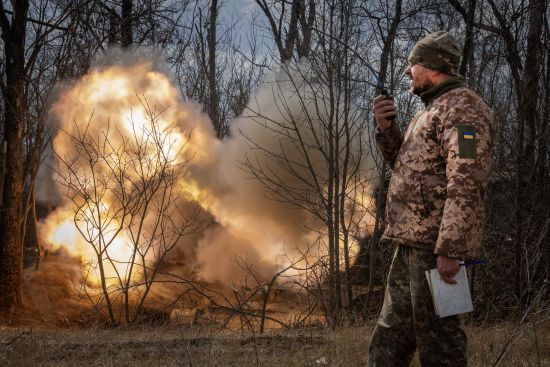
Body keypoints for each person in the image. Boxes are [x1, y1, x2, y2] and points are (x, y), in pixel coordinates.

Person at [367, 31, 494, 366]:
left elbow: (466, 182)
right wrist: (386, 128)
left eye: (413, 64)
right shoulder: (431, 110)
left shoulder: (464, 110)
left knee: (441, 345)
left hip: (436, 249)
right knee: (389, 340)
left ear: (433, 66)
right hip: (409, 244)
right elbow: (407, 169)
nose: (408, 72)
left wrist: (451, 250)